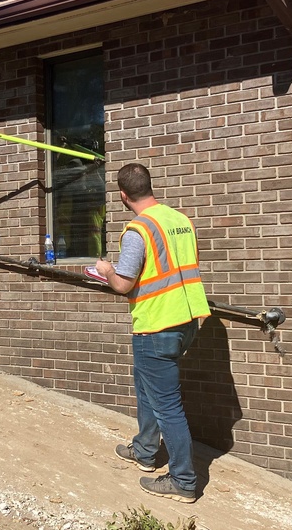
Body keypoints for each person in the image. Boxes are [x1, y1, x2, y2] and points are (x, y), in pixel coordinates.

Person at [94, 163, 211, 503]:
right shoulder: (180, 221)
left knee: (167, 406)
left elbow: (124, 283)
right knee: (146, 387)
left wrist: (105, 271)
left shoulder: (138, 230)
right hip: (187, 320)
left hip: (155, 325)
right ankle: (145, 451)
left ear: (122, 195)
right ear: (149, 186)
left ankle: (183, 481)